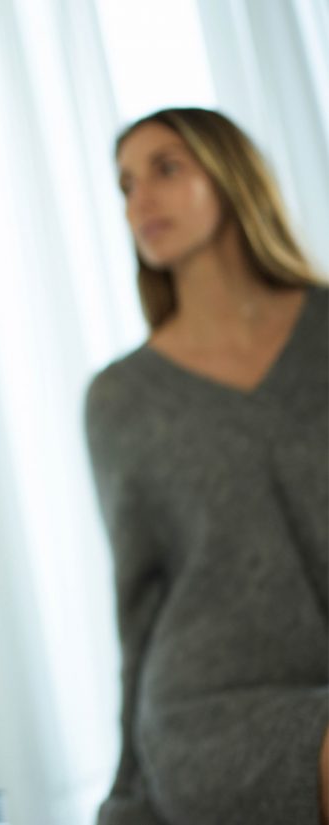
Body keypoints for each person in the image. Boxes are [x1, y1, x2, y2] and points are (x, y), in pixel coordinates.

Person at [85, 107, 328, 824]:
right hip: (213, 705)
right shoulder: (121, 399)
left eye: (166, 168)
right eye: (126, 185)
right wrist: (128, 793)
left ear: (230, 176)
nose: (142, 201)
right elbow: (137, 603)